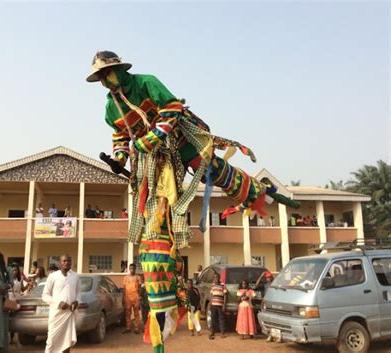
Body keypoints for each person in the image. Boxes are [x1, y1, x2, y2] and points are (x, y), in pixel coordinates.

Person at [87, 50, 298, 353]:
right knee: (154, 219)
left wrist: (153, 137)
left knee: (214, 170)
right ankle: (162, 315)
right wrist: (119, 158)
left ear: (119, 70)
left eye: (108, 73)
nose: (105, 81)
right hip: (151, 160)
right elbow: (120, 135)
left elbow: (172, 109)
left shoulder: (146, 82)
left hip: (180, 139)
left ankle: (262, 192)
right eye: (101, 77)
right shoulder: (110, 107)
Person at [42, 255, 81, 353]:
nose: (66, 262)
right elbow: (45, 295)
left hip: (69, 314)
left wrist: (77, 302)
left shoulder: (75, 276)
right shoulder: (53, 276)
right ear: (60, 263)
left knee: (67, 341)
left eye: (68, 261)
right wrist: (59, 303)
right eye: (64, 261)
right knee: (51, 341)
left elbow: (79, 293)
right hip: (56, 314)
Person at [122, 263, 141, 334]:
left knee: (136, 313)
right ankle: (128, 327)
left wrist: (140, 298)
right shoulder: (125, 278)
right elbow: (124, 288)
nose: (132, 270)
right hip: (127, 298)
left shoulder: (138, 277)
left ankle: (136, 328)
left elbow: (139, 288)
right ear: (129, 269)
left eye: (133, 268)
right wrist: (123, 297)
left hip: (136, 297)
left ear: (135, 269)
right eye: (130, 268)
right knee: (128, 313)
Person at [209, 273, 227, 340]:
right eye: (214, 278)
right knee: (213, 318)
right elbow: (211, 295)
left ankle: (222, 332)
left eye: (217, 277)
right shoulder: (213, 286)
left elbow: (225, 295)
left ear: (219, 278)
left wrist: (224, 305)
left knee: (221, 319)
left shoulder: (222, 285)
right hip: (213, 305)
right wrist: (211, 303)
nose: (215, 279)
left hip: (220, 305)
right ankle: (212, 332)